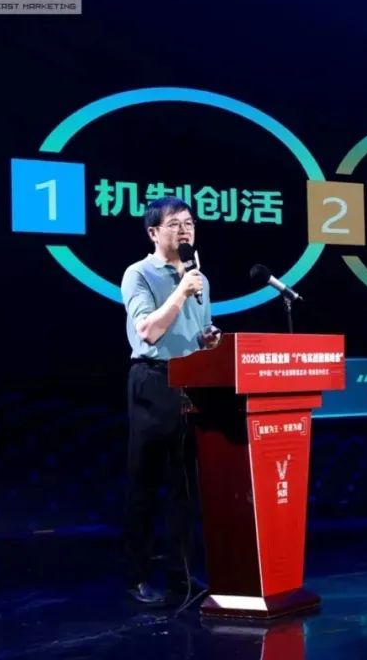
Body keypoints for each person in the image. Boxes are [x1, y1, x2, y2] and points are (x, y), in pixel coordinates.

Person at [120, 197, 219, 604]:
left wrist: (209, 338)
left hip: (191, 383)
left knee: (185, 488)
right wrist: (180, 289)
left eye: (189, 223)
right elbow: (148, 331)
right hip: (153, 380)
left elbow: (200, 330)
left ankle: (182, 575)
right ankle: (137, 577)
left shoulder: (198, 277)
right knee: (145, 483)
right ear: (153, 232)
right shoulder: (138, 274)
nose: (184, 230)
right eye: (175, 224)